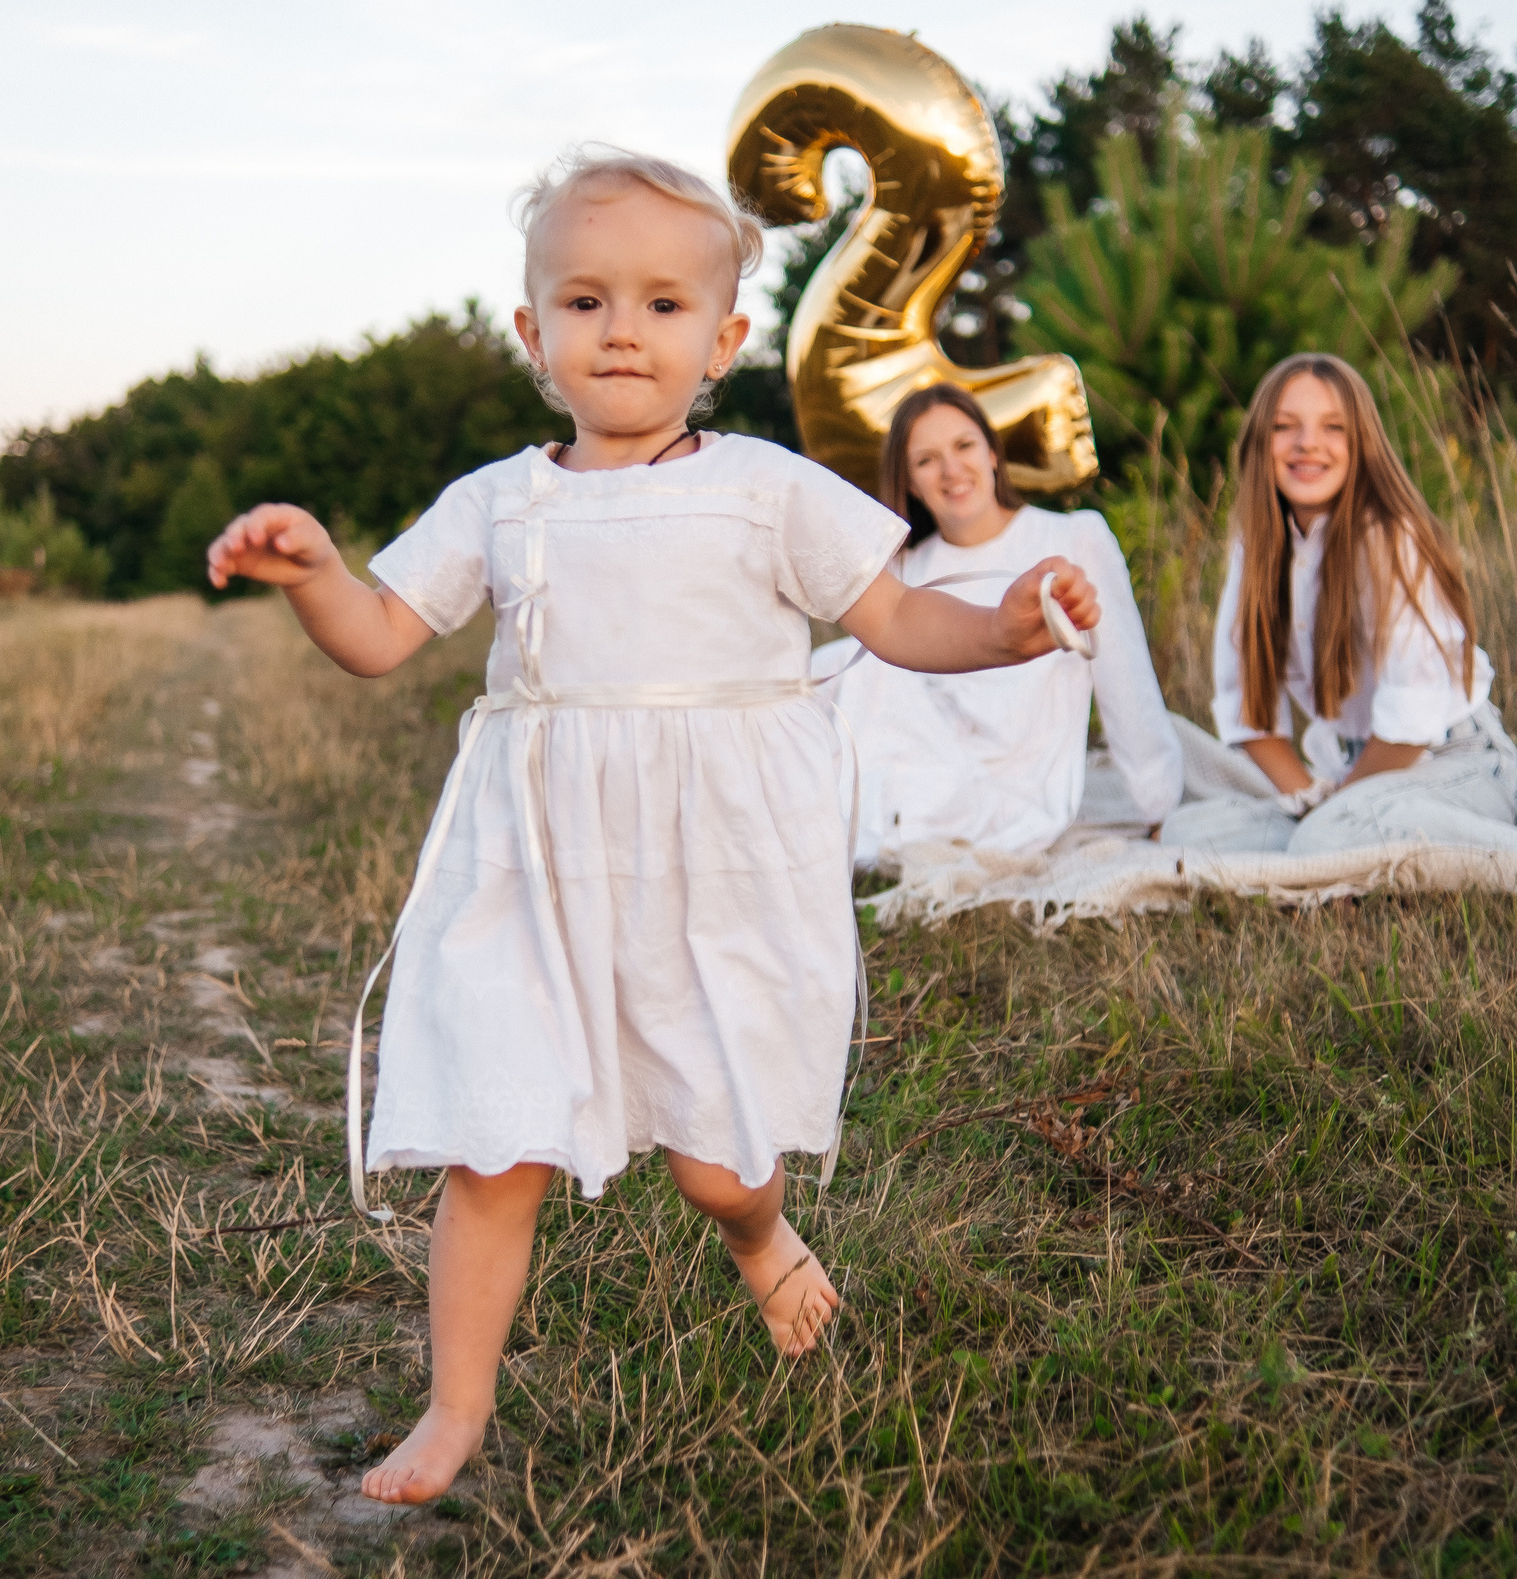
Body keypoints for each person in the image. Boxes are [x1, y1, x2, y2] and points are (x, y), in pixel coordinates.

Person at [205, 147, 1102, 1505]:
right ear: (532, 334)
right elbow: (383, 637)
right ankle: (454, 1404)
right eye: (584, 300)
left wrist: (1007, 623)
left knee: (715, 1159)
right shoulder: (501, 498)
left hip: (714, 865)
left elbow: (901, 616)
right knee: (494, 1138)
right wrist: (319, 568)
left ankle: (760, 1231)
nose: (624, 327)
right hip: (535, 863)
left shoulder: (768, 484)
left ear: (725, 338)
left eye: (664, 304)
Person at [1159, 353, 1517, 865]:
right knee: (1188, 832)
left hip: (1455, 763)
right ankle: (1342, 839)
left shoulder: (1391, 539)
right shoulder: (1258, 548)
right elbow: (1249, 712)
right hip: (1353, 775)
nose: (1307, 442)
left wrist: (1335, 811)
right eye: (1285, 427)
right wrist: (1311, 799)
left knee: (1324, 840)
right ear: (1261, 443)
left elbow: (1409, 728)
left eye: (1334, 427)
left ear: (1362, 444)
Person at [813, 385, 1180, 864]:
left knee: (852, 669)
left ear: (992, 453)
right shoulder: (904, 570)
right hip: (918, 764)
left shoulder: (1072, 537)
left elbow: (1124, 677)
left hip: (1018, 780)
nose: (951, 471)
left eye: (964, 446)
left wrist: (1159, 806)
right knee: (834, 667)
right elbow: (877, 706)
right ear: (908, 481)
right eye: (926, 460)